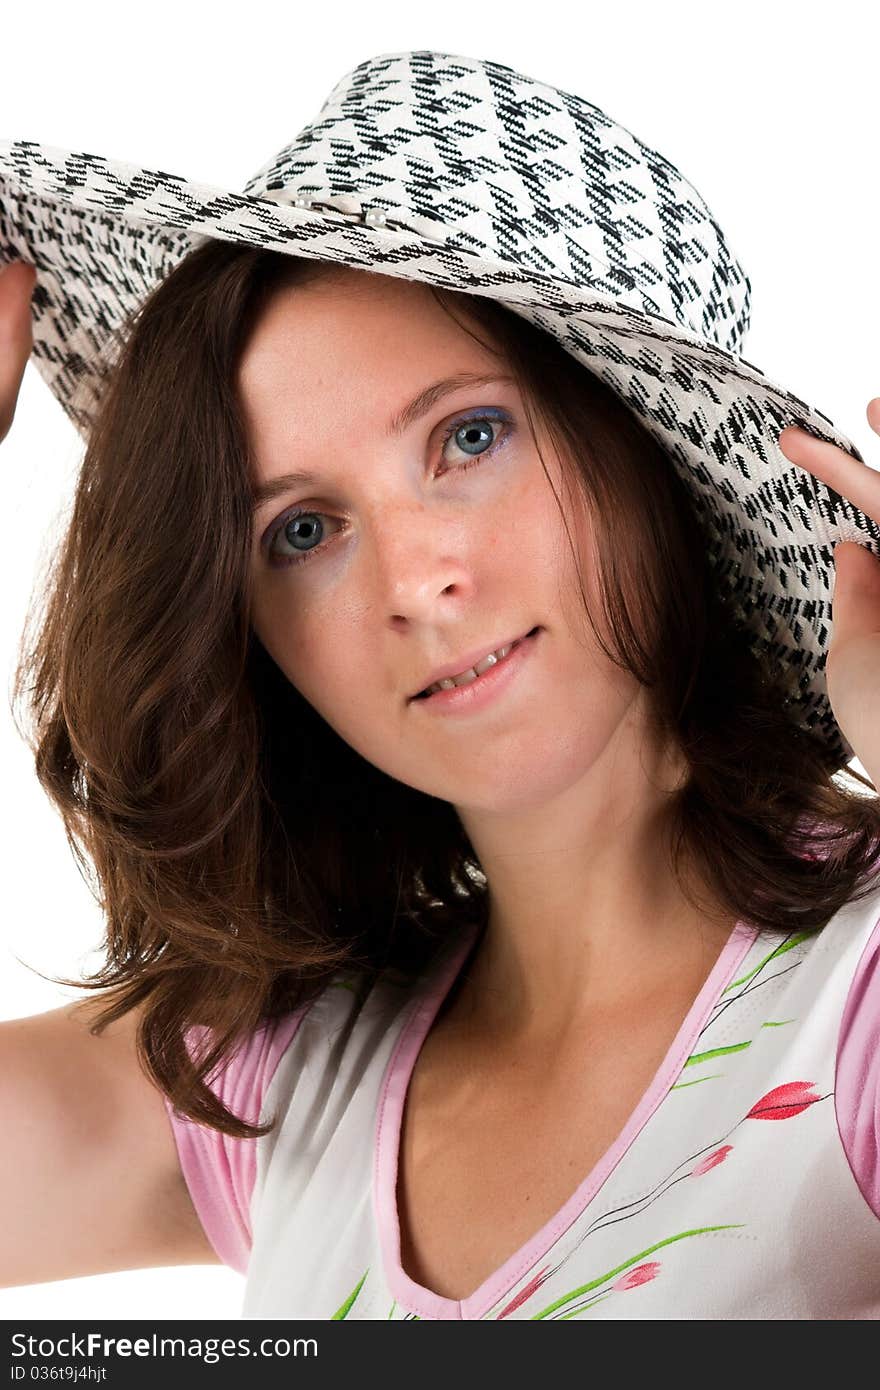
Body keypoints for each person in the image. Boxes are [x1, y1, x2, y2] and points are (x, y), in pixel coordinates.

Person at [1, 49, 880, 1321]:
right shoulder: (279, 1077)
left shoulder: (848, 993)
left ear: (640, 450)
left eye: (469, 437)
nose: (413, 581)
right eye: (300, 531)